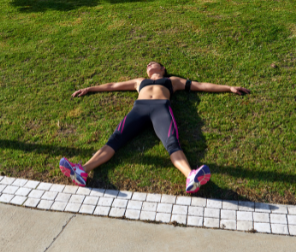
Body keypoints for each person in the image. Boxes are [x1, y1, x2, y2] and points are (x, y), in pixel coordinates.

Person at [59, 62, 250, 193]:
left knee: (172, 143)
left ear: (163, 68)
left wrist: (228, 87)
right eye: (147, 65)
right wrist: (90, 89)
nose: (149, 66)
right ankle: (82, 171)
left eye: (153, 63)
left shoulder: (172, 81)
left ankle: (190, 176)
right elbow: (113, 85)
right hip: (138, 110)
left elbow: (200, 86)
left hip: (161, 109)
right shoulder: (138, 82)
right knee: (115, 139)